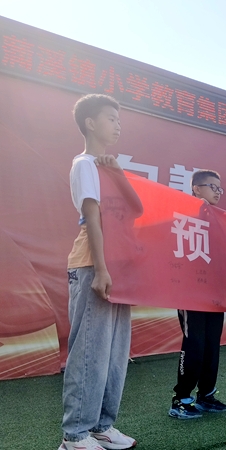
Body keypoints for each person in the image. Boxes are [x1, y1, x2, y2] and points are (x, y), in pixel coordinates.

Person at [61, 94, 142, 450]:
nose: (118, 125)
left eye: (119, 119)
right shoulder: (84, 164)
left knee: (114, 353)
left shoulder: (108, 168)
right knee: (90, 351)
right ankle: (75, 435)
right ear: (90, 123)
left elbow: (137, 209)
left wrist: (118, 173)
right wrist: (100, 270)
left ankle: (102, 426)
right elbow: (92, 218)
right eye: (111, 118)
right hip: (93, 265)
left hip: (116, 267)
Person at [168, 170, 226, 420]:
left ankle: (206, 395)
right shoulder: (183, 214)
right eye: (212, 186)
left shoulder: (220, 220)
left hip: (214, 295)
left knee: (212, 346)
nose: (217, 192)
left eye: (219, 188)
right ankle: (181, 399)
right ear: (196, 188)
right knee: (194, 344)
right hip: (190, 294)